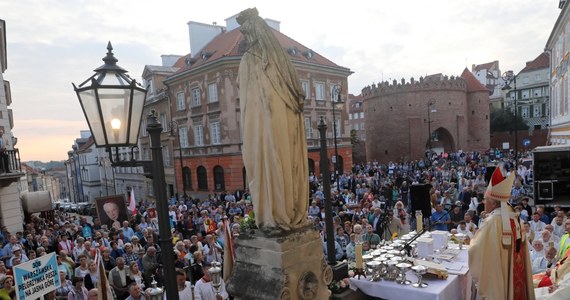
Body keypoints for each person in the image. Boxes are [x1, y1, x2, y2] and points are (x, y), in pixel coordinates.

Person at [237, 7, 309, 231]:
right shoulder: (281, 61)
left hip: (263, 129)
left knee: (269, 161)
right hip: (277, 129)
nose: (246, 38)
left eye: (246, 33)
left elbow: (245, 96)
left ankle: (274, 213)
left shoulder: (251, 59)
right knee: (282, 161)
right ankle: (284, 211)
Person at [468, 167, 534, 299]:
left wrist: (472, 240)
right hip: (515, 276)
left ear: (493, 203)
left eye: (485, 200)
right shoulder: (516, 219)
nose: (483, 203)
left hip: (500, 281)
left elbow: (476, 249)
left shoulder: (492, 222)